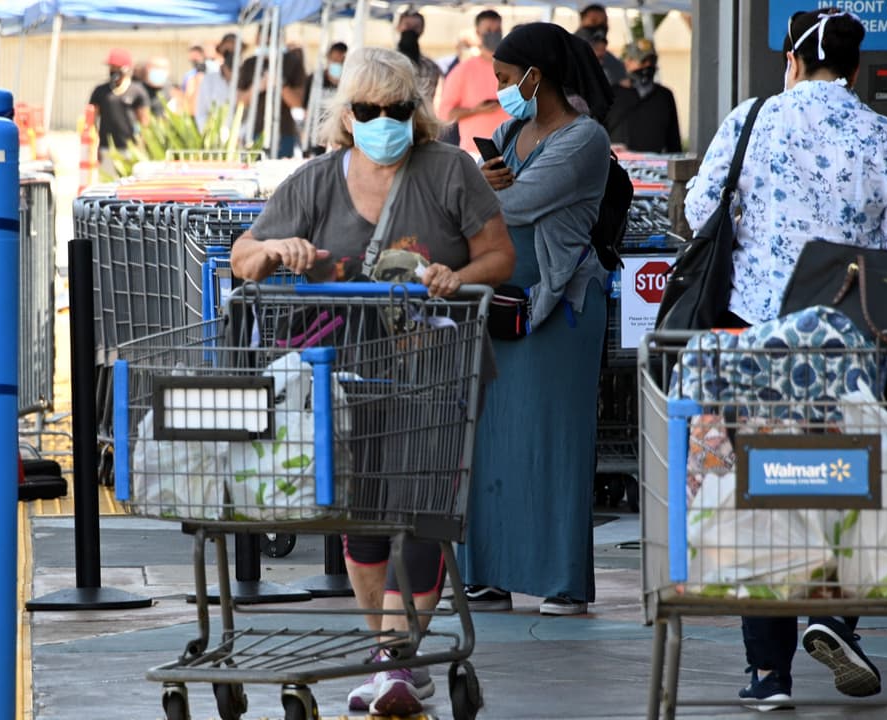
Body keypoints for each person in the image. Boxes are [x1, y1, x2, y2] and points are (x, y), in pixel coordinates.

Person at [230, 48, 515, 716]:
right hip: (344, 373)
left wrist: (456, 277)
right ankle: (393, 656)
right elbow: (245, 257)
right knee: (358, 517)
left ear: (415, 113)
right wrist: (275, 251)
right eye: (368, 109)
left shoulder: (448, 172)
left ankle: (396, 659)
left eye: (396, 109)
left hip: (434, 372)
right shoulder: (315, 181)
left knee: (420, 510)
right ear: (347, 116)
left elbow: (499, 255)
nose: (383, 121)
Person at [684, 9, 887, 708]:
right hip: (849, 342)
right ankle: (837, 617)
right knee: (843, 486)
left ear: (791, 61)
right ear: (856, 69)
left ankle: (769, 675)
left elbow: (701, 211)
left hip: (757, 339)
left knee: (762, 495)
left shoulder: (752, 119)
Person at [443, 22, 612, 618]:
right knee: (489, 442)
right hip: (498, 304)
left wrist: (472, 189)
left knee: (553, 444)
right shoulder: (511, 130)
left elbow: (518, 203)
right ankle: (489, 573)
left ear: (537, 77)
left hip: (558, 308)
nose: (499, 89)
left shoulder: (584, 138)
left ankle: (562, 580)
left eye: (507, 78)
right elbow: (486, 195)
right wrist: (477, 182)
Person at [438, 9, 510, 154]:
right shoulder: (463, 70)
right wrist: (475, 110)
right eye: (488, 30)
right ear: (478, 33)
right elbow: (444, 114)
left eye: (497, 30)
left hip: (512, 150)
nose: (493, 34)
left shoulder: (514, 67)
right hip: (475, 152)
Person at [605, 38, 682, 153]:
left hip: (655, 163)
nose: (648, 65)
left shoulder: (665, 96)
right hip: (619, 162)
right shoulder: (611, 95)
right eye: (643, 61)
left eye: (652, 61)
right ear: (627, 62)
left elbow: (674, 141)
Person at [88, 48, 151, 171]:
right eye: (111, 67)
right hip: (106, 149)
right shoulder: (100, 91)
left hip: (130, 149)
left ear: (126, 69)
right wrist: (94, 147)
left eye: (117, 68)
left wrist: (141, 147)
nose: (113, 71)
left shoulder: (137, 91)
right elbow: (91, 120)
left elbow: (145, 122)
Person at [302, 42, 347, 153]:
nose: (338, 64)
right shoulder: (315, 79)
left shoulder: (348, 81)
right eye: (334, 60)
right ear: (328, 58)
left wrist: (339, 83)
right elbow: (306, 109)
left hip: (340, 133)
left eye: (341, 61)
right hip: (316, 132)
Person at [396, 9, 442, 105]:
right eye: (407, 25)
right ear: (398, 27)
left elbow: (429, 96)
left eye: (416, 27)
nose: (411, 30)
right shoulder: (384, 61)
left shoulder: (430, 66)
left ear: (422, 30)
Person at [577, 3, 627, 87]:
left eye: (604, 22)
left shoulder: (614, 64)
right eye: (594, 21)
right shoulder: (565, 52)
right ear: (582, 21)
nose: (599, 27)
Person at [181, 45, 208, 113]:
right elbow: (185, 94)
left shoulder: (212, 70)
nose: (192, 58)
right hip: (192, 109)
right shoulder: (189, 75)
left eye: (195, 55)